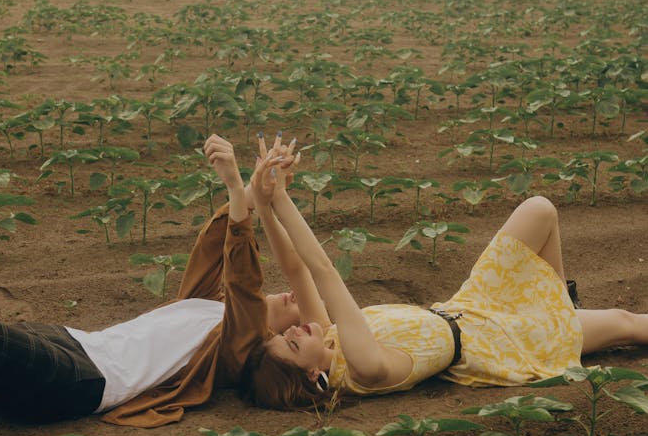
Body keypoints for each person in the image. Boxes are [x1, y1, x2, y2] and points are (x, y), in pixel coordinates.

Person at [0, 136, 301, 429]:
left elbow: (244, 279)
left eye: (297, 324)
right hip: (76, 343)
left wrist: (233, 186)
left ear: (273, 340)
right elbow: (215, 245)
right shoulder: (211, 311)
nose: (292, 297)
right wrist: (252, 192)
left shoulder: (239, 346)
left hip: (84, 380)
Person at [242, 137, 648, 410]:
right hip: (498, 343)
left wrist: (263, 202)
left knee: (539, 209)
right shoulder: (365, 368)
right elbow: (323, 269)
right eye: (291, 346)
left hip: (469, 305)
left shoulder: (328, 334)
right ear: (313, 375)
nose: (293, 330)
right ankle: (558, 318)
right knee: (626, 324)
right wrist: (279, 196)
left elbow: (296, 267)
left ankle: (559, 307)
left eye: (285, 335)